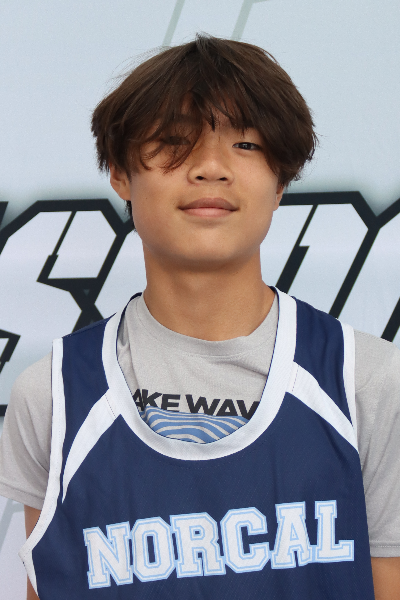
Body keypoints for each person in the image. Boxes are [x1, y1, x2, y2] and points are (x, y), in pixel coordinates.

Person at [0, 34, 399, 600]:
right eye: (174, 141)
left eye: (246, 144)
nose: (211, 167)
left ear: (282, 180)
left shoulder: (367, 382)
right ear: (120, 173)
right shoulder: (52, 395)